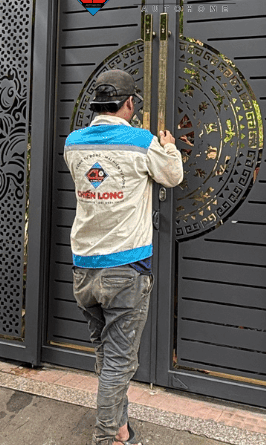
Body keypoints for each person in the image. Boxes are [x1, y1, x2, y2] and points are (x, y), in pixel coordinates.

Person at [64, 69, 184, 445]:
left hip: (84, 269)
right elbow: (172, 176)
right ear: (129, 103)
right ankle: (105, 437)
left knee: (107, 354)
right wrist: (169, 146)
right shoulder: (141, 142)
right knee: (119, 361)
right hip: (125, 269)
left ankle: (120, 428)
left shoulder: (73, 143)